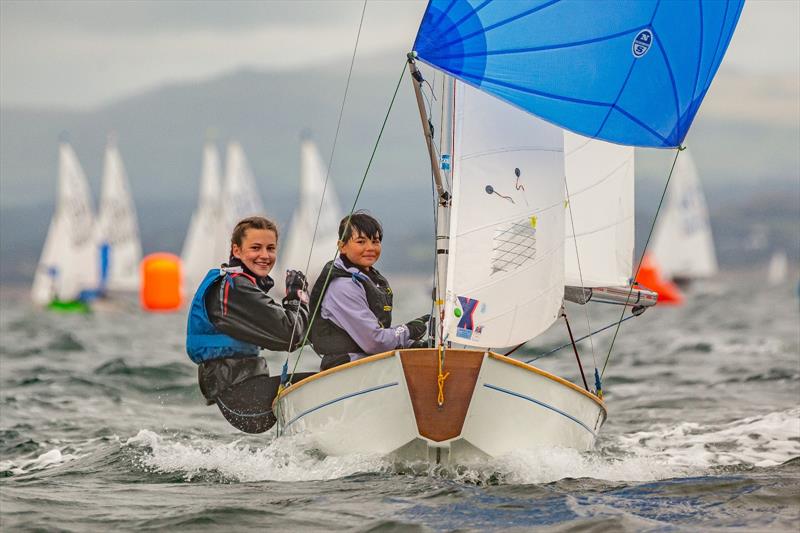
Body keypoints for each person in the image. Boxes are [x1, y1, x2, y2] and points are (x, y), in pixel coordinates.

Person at [185, 216, 312, 433]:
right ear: (236, 250)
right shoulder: (235, 288)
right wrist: (296, 296)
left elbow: (295, 332)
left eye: (270, 248)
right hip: (242, 399)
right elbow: (291, 335)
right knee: (329, 382)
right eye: (256, 248)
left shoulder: (238, 284)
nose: (265, 255)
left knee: (332, 374)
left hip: (246, 389)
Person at [309, 211, 430, 371]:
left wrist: (415, 345)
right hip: (345, 370)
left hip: (368, 367)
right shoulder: (343, 286)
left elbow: (379, 333)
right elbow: (375, 342)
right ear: (342, 246)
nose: (370, 248)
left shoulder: (369, 279)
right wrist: (408, 330)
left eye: (375, 241)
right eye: (361, 242)